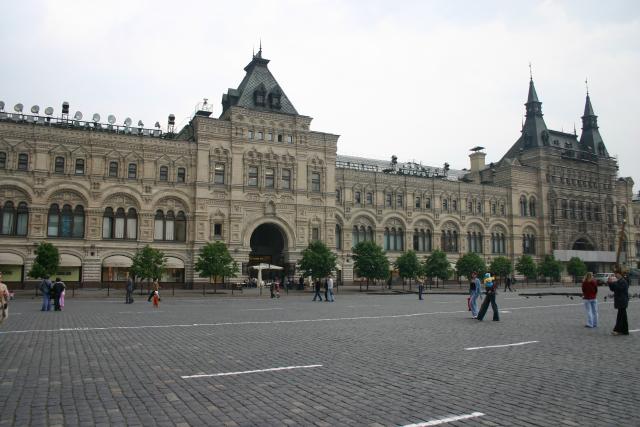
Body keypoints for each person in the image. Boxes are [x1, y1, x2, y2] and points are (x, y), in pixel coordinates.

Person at [608, 270, 629, 335]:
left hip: (622, 301)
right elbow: (613, 289)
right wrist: (609, 283)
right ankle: (625, 331)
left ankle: (617, 330)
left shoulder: (623, 281)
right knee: (623, 316)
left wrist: (612, 283)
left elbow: (619, 288)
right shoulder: (618, 281)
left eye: (616, 274)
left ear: (620, 274)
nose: (615, 275)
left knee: (620, 316)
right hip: (620, 301)